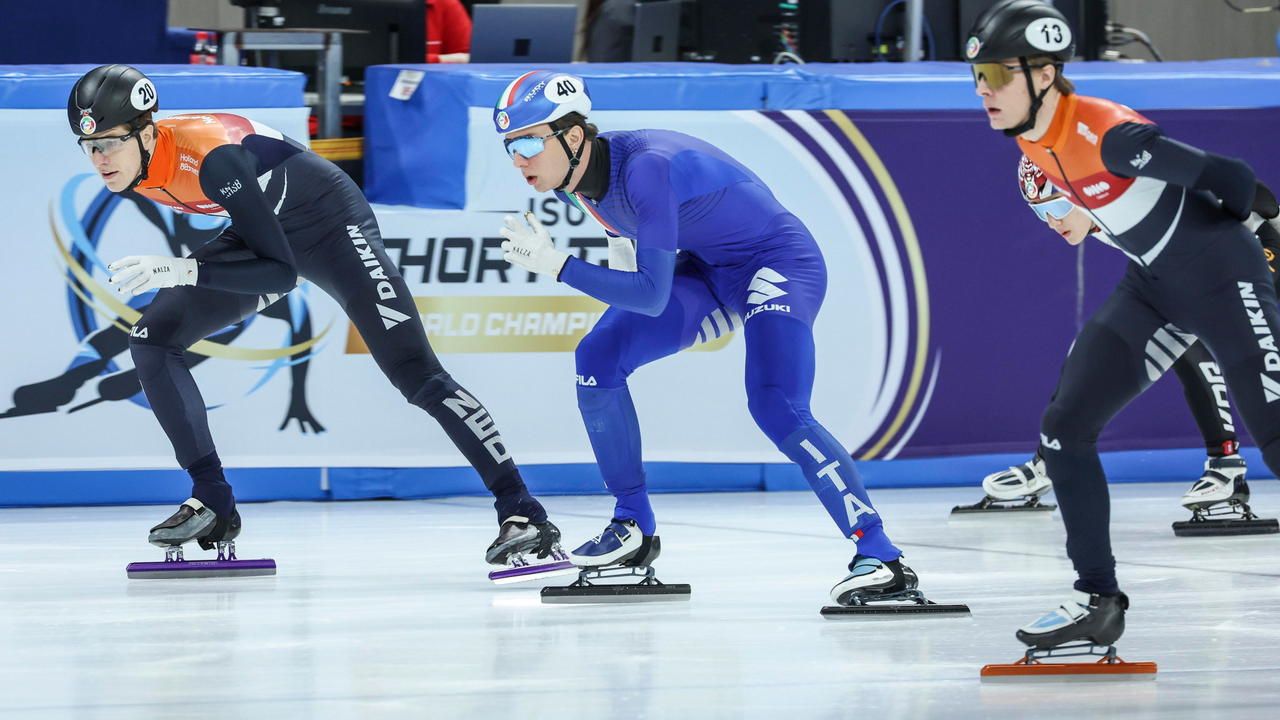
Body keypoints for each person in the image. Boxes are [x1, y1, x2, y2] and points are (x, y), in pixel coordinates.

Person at [68, 64, 560, 573]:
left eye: (109, 143)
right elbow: (264, 248)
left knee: (417, 375)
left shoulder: (211, 157)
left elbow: (280, 275)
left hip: (331, 226)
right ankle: (212, 500)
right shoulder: (130, 168)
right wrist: (194, 269)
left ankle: (523, 511)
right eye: (88, 147)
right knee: (152, 338)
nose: (99, 159)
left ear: (147, 131)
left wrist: (183, 268)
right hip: (264, 232)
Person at [492, 70, 925, 607]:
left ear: (573, 136)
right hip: (708, 272)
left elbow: (650, 295)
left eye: (529, 142)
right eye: (510, 146)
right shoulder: (582, 184)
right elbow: (631, 274)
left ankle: (881, 556)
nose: (519, 159)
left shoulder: (646, 169)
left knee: (776, 406)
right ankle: (632, 527)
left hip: (777, 262)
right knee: (598, 357)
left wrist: (558, 265)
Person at [965, 0, 1280, 653]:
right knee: (1064, 430)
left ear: (1044, 74)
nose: (984, 91)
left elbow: (1234, 178)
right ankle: (1097, 601)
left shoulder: (1107, 134)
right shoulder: (1031, 143)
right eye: (977, 76)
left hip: (1225, 278)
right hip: (1154, 286)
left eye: (996, 75)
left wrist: (1268, 243)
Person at [967, 155, 1280, 525]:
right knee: (1112, 346)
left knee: (1202, 335)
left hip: (1256, 245)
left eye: (1057, 206)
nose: (1052, 221)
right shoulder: (1096, 217)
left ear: (1079, 192)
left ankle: (1225, 463)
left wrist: (1261, 214)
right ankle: (1054, 454)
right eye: (1039, 212)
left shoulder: (1126, 192)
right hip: (1210, 262)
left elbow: (1241, 188)